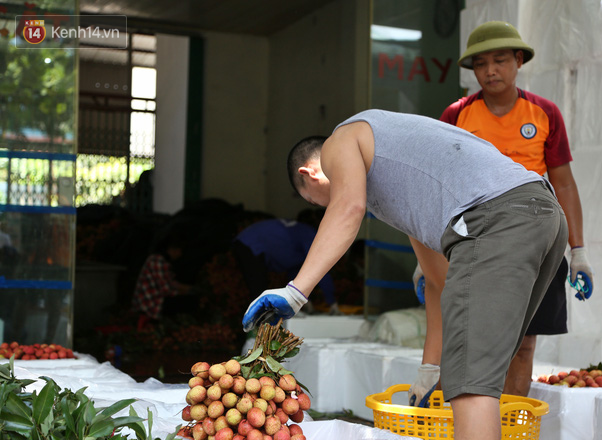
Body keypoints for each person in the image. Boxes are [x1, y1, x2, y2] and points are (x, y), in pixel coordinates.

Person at [242, 109, 568, 440]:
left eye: (318, 202)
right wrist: (430, 369)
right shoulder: (407, 191)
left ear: (311, 174)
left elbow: (347, 209)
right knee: (478, 375)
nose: (328, 206)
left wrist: (296, 291)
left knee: (471, 386)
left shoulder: (339, 141)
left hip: (497, 219)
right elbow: (439, 285)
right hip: (542, 214)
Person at [421, 20, 592, 397]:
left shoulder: (544, 113)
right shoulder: (457, 115)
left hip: (534, 235)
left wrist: (577, 252)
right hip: (474, 237)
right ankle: (468, 426)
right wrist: (426, 255)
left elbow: (563, 182)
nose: (490, 71)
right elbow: (434, 184)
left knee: (523, 343)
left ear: (518, 61)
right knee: (469, 338)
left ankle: (510, 426)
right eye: (481, 64)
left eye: (500, 60)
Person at [232, 217, 340, 313]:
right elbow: (320, 269)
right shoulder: (311, 235)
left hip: (248, 243)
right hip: (250, 245)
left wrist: (306, 302)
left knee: (259, 291)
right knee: (259, 291)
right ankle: (260, 329)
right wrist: (332, 301)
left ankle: (262, 324)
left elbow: (296, 274)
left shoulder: (300, 237)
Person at [131, 232, 194, 324]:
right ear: (173, 249)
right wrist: (186, 292)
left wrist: (188, 288)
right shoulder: (158, 261)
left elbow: (170, 282)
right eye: (180, 251)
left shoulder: (159, 260)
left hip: (151, 300)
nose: (180, 254)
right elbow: (167, 290)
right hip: (150, 304)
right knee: (189, 302)